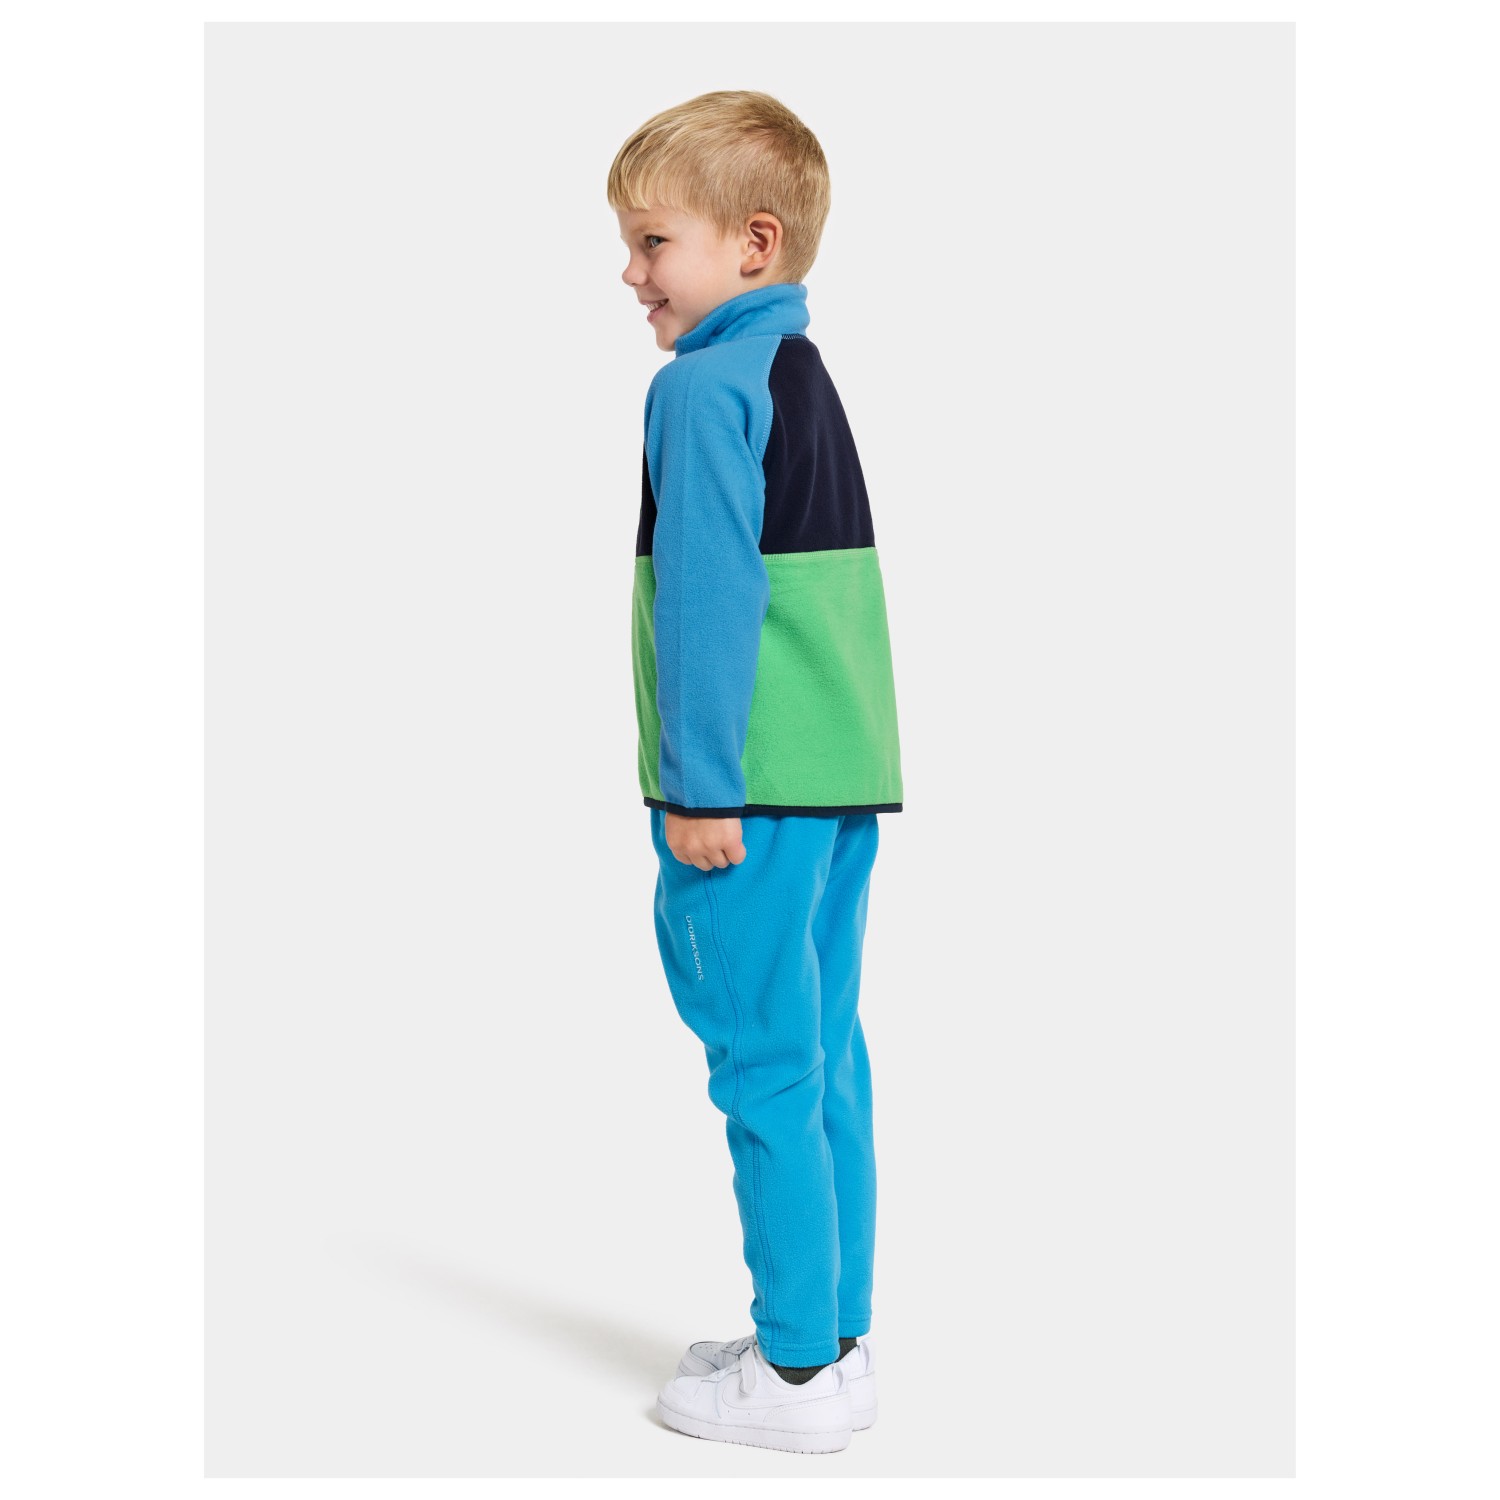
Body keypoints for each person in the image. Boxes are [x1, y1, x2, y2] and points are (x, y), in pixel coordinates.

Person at [608, 90, 905, 1455]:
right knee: (824, 1053)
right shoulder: (798, 371)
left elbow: (710, 597)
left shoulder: (700, 388)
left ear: (753, 243)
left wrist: (700, 787)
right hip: (838, 779)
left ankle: (788, 1380)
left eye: (651, 241)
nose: (632, 274)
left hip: (751, 791)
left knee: (763, 1065)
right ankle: (831, 1341)